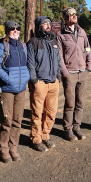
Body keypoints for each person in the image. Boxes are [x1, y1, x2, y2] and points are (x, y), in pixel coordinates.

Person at [0, 21, 30, 163]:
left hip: (21, 90)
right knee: (6, 120)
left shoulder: (23, 46)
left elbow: (27, 64)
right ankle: (3, 149)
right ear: (7, 31)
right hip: (8, 89)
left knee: (17, 120)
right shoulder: (2, 46)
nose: (15, 31)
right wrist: (8, 79)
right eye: (12, 29)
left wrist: (26, 77)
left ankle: (13, 148)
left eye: (17, 29)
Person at [57, 7, 91, 141]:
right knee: (70, 103)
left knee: (80, 102)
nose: (74, 16)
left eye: (75, 14)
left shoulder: (82, 32)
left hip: (82, 72)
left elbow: (88, 49)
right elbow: (59, 55)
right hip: (70, 73)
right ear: (66, 18)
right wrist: (64, 71)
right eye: (71, 14)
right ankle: (68, 130)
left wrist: (88, 66)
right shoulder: (60, 35)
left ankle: (77, 127)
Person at [27, 16, 62, 152]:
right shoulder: (33, 42)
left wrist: (58, 75)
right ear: (38, 26)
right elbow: (30, 62)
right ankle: (36, 139)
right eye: (44, 24)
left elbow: (58, 59)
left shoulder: (54, 41)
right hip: (39, 83)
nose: (48, 25)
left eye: (49, 23)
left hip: (53, 82)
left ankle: (45, 135)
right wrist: (34, 80)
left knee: (51, 112)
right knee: (37, 113)